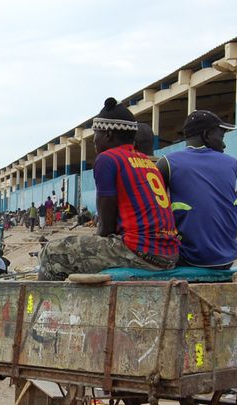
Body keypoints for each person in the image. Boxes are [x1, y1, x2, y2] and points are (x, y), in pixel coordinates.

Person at [39, 98, 178, 280]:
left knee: (50, 252)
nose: (94, 140)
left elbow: (106, 227)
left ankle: (44, 308)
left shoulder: (108, 159)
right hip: (170, 254)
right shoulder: (148, 162)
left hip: (141, 253)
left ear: (108, 134)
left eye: (96, 133)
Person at [157, 109, 237, 269]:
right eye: (221, 137)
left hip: (189, 257)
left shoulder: (167, 162)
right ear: (206, 134)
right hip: (228, 258)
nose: (224, 144)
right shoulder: (231, 163)